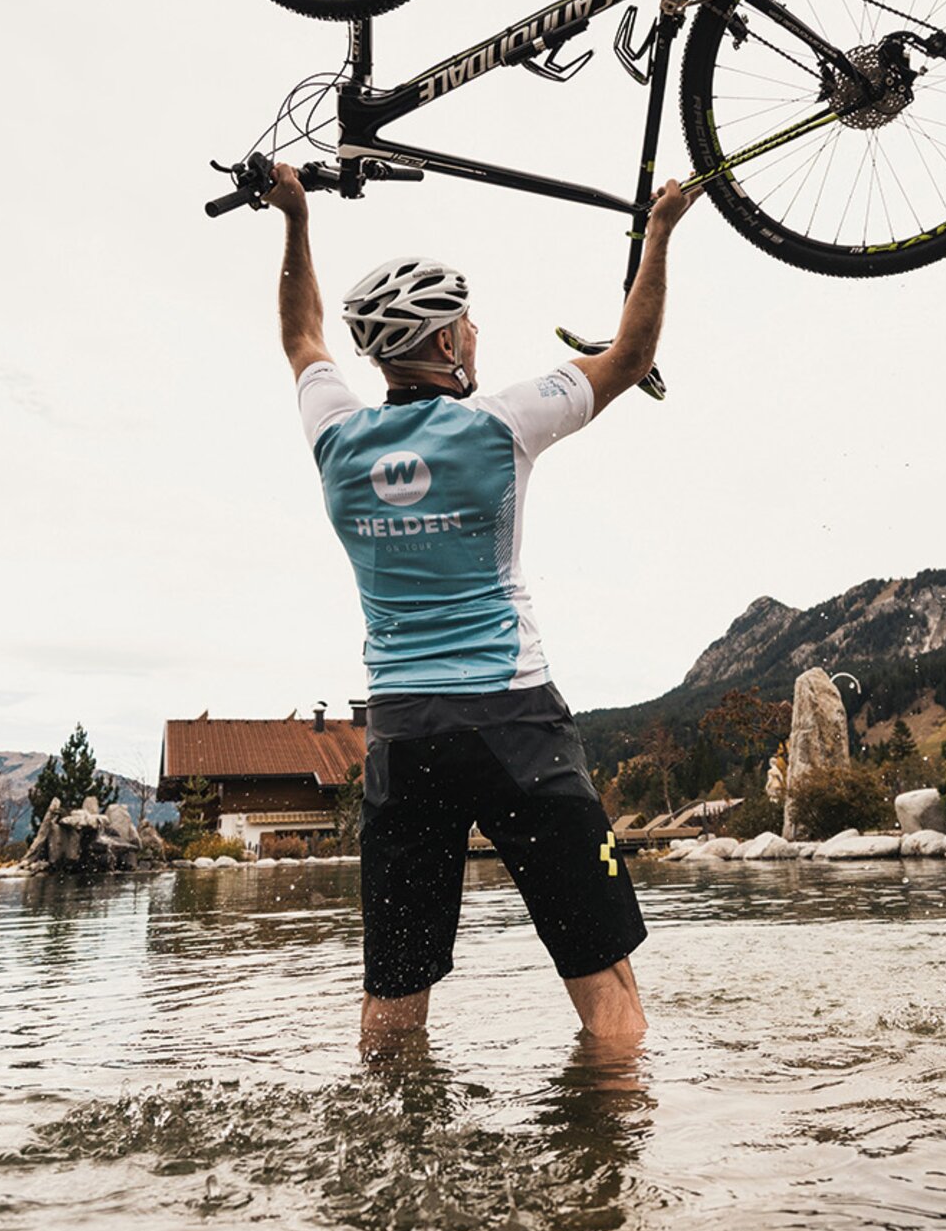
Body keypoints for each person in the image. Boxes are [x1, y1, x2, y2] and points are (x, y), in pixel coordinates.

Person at [267, 160, 696, 1041]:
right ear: (447, 343)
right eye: (467, 323)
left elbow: (301, 334)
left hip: (403, 736)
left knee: (392, 999)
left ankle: (390, 1158)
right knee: (604, 985)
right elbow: (630, 357)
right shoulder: (501, 424)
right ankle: (611, 1171)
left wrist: (296, 217)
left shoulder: (335, 442)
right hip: (516, 725)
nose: (476, 334)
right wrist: (658, 236)